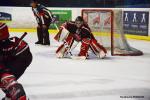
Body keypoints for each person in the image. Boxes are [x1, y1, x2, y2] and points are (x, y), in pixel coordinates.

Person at [0, 23, 32, 100]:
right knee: (4, 76)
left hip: (22, 56)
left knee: (5, 77)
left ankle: (19, 96)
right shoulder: (5, 42)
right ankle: (10, 95)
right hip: (23, 55)